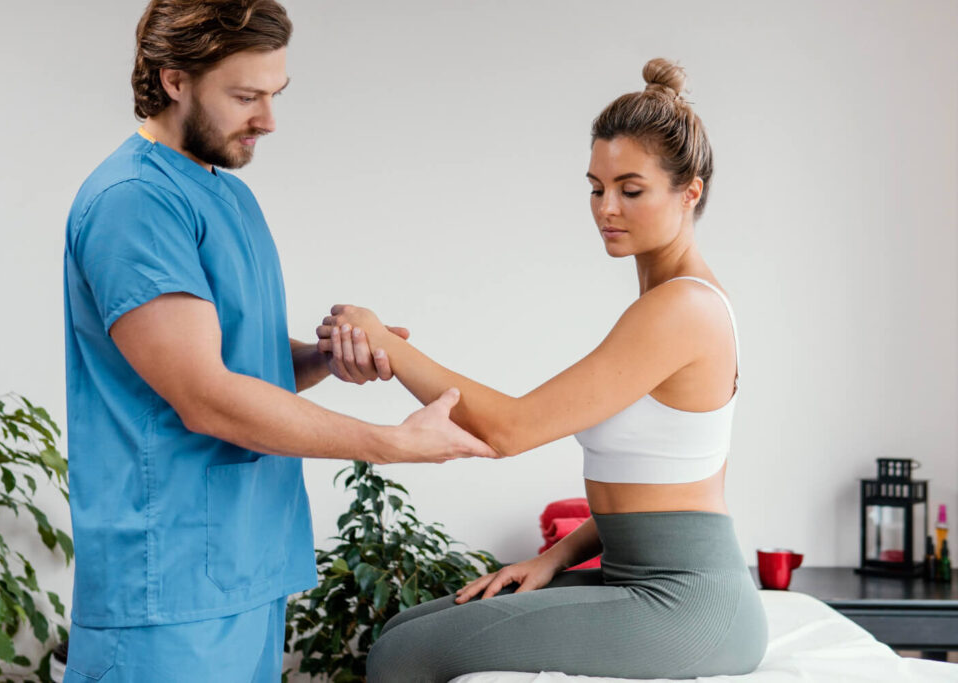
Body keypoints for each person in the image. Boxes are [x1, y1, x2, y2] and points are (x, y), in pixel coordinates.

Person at [61, 2, 495, 681]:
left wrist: (323, 357)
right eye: (245, 96)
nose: (267, 119)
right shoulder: (135, 202)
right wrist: (394, 443)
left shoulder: (227, 198)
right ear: (175, 80)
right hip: (166, 587)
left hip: (242, 566)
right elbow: (207, 398)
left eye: (274, 95)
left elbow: (239, 366)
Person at [319, 58, 768, 681]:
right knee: (403, 629)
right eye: (595, 186)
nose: (606, 208)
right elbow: (656, 484)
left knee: (402, 656)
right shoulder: (668, 302)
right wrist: (556, 557)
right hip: (637, 573)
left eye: (630, 190)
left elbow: (511, 430)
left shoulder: (683, 308)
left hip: (689, 605)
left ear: (689, 191)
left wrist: (380, 341)